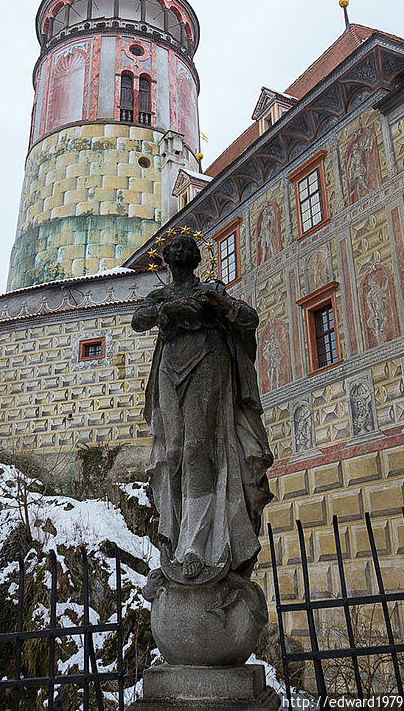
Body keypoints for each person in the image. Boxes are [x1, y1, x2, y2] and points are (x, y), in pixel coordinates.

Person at [132, 234, 273, 581]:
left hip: (208, 356)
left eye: (185, 247)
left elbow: (249, 318)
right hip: (169, 362)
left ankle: (196, 545)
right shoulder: (161, 294)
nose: (179, 251)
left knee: (198, 448)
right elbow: (139, 319)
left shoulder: (212, 289)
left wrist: (221, 305)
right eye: (173, 248)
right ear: (165, 259)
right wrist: (169, 309)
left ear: (195, 259)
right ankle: (175, 536)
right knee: (174, 449)